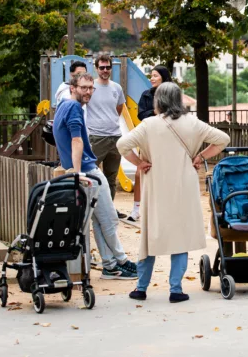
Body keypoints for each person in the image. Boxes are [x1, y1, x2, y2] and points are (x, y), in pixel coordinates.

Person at [117, 82, 230, 303]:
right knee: (180, 236)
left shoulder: (148, 124)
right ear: (178, 100)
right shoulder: (193, 123)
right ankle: (176, 289)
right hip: (183, 187)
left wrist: (139, 163)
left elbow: (122, 145)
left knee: (150, 236)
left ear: (158, 100)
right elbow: (223, 140)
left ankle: (141, 287)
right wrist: (201, 157)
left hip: (156, 187)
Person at [52, 73, 137, 280]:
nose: (88, 91)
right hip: (89, 170)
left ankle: (110, 265)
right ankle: (122, 260)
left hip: (81, 169)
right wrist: (80, 172)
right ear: (73, 88)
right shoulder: (73, 108)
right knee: (109, 219)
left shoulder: (63, 104)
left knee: (99, 220)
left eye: (91, 88)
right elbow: (76, 141)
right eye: (83, 88)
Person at [130, 65, 172, 222]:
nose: (152, 78)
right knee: (140, 172)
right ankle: (136, 208)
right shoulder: (147, 95)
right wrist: (155, 112)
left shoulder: (172, 94)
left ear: (163, 77)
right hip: (149, 137)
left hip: (167, 138)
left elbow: (176, 113)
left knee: (165, 173)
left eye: (155, 75)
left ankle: (164, 208)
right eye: (151, 76)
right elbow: (141, 114)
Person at [86, 54, 126, 217]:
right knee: (90, 175)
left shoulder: (117, 88)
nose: (105, 70)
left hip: (115, 136)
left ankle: (108, 210)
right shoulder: (90, 87)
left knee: (111, 176)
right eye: (101, 67)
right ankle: (90, 208)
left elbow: (119, 107)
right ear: (96, 68)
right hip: (96, 136)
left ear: (111, 68)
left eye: (108, 67)